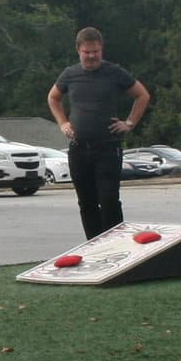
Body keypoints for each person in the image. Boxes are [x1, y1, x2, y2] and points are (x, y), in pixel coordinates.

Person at [48, 27, 149, 238]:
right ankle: (93, 246)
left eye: (95, 51)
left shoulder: (114, 72)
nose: (92, 56)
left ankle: (116, 245)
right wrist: (63, 122)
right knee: (86, 202)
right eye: (87, 52)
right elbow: (53, 98)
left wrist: (129, 123)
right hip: (79, 149)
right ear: (79, 51)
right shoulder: (70, 74)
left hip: (108, 148)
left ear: (101, 49)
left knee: (109, 199)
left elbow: (142, 95)